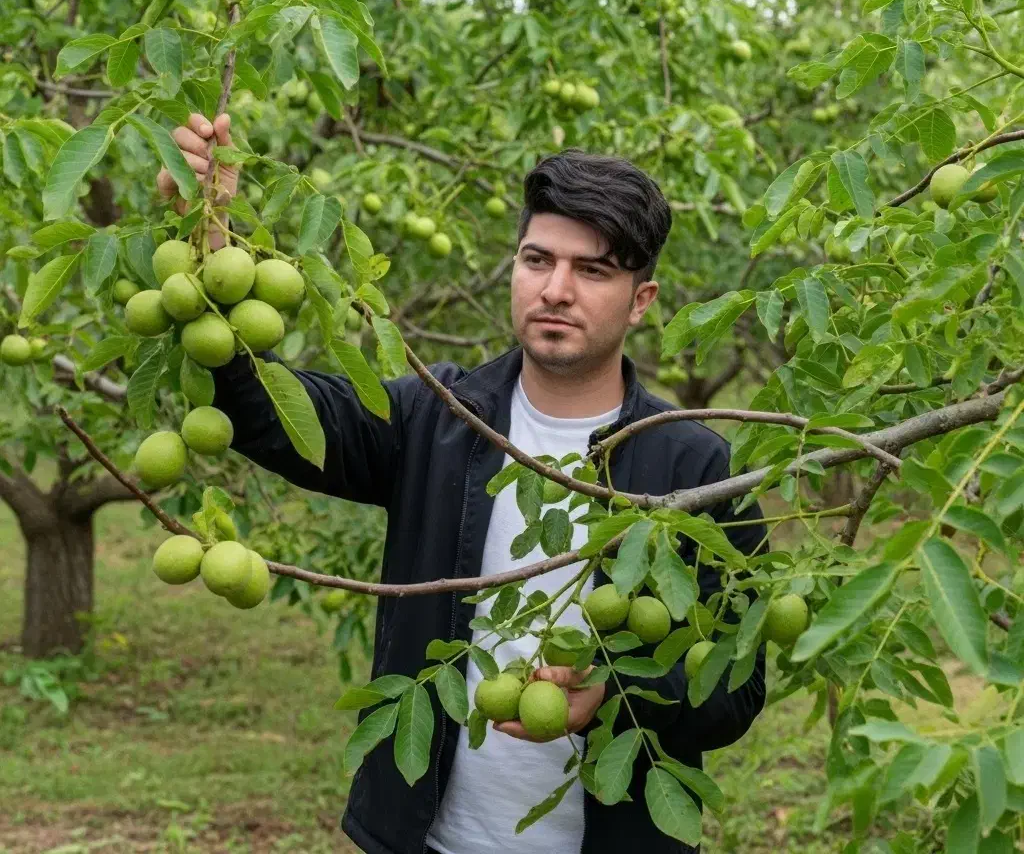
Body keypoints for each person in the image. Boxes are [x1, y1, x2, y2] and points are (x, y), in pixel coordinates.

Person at [158, 114, 768, 854]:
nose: (557, 289)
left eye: (593, 270)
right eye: (537, 260)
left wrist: (614, 689)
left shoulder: (695, 466)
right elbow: (269, 412)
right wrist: (211, 245)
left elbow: (736, 691)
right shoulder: (436, 417)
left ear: (642, 300)